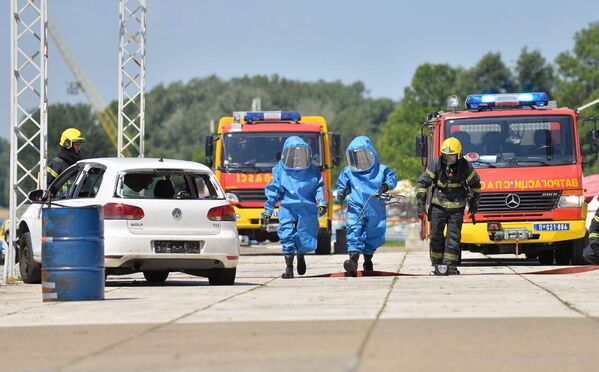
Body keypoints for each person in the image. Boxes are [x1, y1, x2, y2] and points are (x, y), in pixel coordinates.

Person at [262, 136, 328, 279]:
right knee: (286, 235)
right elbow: (273, 190)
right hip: (287, 207)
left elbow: (319, 188)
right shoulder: (280, 170)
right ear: (287, 153)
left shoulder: (313, 171)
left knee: (305, 235)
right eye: (294, 154)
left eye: (301, 153)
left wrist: (322, 203)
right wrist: (268, 210)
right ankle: (289, 268)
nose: (297, 157)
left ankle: (301, 255)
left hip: (307, 207)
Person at [415, 137, 481, 276]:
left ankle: (450, 266)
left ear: (459, 155)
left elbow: (475, 185)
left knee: (453, 237)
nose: (448, 160)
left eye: (451, 157)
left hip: (457, 207)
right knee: (435, 235)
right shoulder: (436, 164)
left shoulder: (465, 166)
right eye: (446, 156)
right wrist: (420, 201)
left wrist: (474, 202)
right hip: (438, 205)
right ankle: (438, 265)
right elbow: (422, 182)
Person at [336, 136, 398, 277]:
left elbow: (392, 178)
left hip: (375, 207)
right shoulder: (348, 172)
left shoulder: (381, 170)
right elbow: (341, 186)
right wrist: (342, 192)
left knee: (373, 233)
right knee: (354, 230)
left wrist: (386, 185)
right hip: (356, 206)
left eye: (363, 155)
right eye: (356, 156)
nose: (360, 159)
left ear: (370, 153)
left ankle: (368, 259)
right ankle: (352, 261)